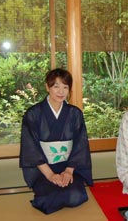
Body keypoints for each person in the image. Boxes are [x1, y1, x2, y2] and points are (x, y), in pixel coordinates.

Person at [19, 68, 93, 214]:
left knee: (75, 196)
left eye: (65, 87)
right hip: (43, 170)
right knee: (49, 199)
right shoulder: (33, 114)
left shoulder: (75, 113)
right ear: (47, 87)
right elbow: (30, 148)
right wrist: (50, 175)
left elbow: (80, 145)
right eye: (56, 86)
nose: (61, 91)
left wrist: (69, 171)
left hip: (69, 166)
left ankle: (68, 182)